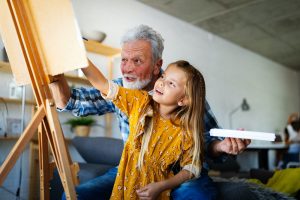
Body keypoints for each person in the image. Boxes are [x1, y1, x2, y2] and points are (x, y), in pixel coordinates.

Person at [50, 25, 250, 199]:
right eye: (124, 60)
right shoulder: (130, 95)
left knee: (194, 194)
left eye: (137, 61)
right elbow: (76, 99)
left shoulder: (187, 95)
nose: (127, 69)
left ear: (157, 65)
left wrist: (221, 146)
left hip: (177, 172)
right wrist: (61, 65)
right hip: (135, 167)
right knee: (77, 195)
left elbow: (202, 146)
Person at [83, 59, 206, 199]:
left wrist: (162, 186)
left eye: (171, 83)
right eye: (163, 76)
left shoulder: (185, 131)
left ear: (183, 99)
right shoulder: (140, 102)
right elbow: (104, 85)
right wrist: (80, 58)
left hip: (157, 193)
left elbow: (192, 168)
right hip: (124, 189)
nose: (161, 83)